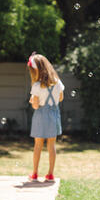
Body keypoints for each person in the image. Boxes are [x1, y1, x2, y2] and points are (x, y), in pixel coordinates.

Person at [27, 52, 65, 182]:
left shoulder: (37, 86)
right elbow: (60, 98)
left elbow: (36, 106)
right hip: (54, 114)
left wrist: (33, 101)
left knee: (38, 145)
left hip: (41, 115)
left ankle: (35, 173)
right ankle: (50, 174)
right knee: (51, 145)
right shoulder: (58, 82)